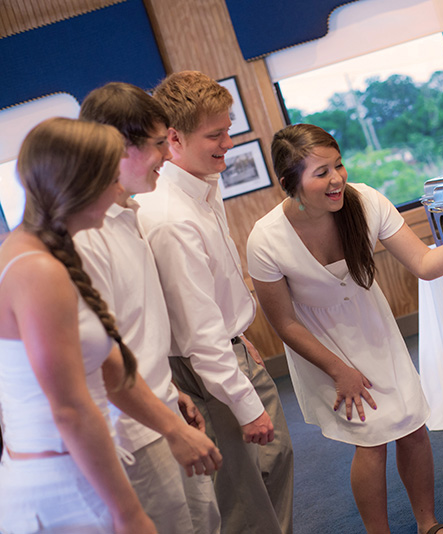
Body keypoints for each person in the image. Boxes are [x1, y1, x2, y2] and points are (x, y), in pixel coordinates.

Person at [246, 123, 443, 534]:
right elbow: (283, 323)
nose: (337, 178)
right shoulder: (265, 239)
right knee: (371, 440)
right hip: (320, 346)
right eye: (321, 172)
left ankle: (429, 525)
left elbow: (425, 266)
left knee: (412, 425)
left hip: (373, 329)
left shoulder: (367, 201)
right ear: (290, 183)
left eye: (338, 165)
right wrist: (340, 371)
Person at [136, 70, 293, 534]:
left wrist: (240, 337)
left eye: (228, 129)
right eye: (216, 135)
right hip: (207, 364)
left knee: (275, 461)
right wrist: (246, 403)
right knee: (245, 502)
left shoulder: (204, 186)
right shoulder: (169, 217)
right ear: (174, 138)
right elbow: (199, 334)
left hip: (230, 349)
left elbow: (210, 295)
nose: (229, 142)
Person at [75, 81, 223, 534]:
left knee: (206, 524)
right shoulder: (86, 236)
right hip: (134, 432)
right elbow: (99, 359)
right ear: (119, 147)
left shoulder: (127, 214)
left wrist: (169, 391)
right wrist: (168, 424)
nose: (167, 154)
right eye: (160, 144)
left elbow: (129, 330)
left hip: (161, 406)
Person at [0, 117, 156, 533]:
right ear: (80, 186)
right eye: (110, 178)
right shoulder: (37, 271)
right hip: (62, 490)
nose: (118, 188)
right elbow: (69, 410)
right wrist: (130, 514)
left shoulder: (30, 252)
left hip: (66, 474)